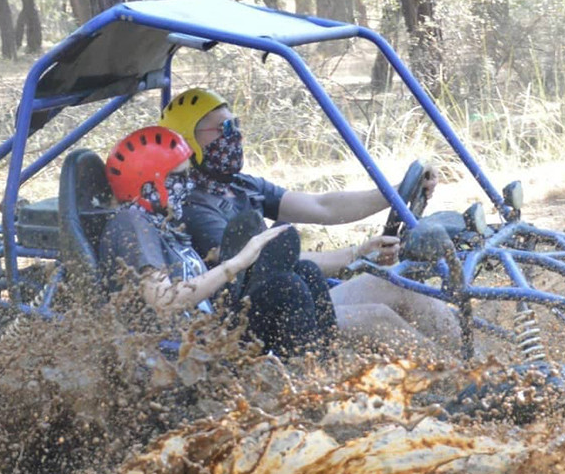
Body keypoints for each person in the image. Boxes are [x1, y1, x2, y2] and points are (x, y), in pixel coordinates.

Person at [159, 88, 461, 347]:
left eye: (235, 125)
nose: (235, 135)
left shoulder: (239, 186)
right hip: (266, 324)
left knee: (398, 285)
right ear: (187, 142)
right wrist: (355, 253)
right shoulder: (194, 208)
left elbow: (322, 206)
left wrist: (396, 192)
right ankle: (460, 386)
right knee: (377, 317)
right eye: (225, 129)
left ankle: (470, 365)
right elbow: (268, 264)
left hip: (297, 295)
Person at [98, 126, 337, 357]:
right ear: (149, 186)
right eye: (180, 177)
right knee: (286, 288)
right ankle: (310, 381)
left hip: (210, 331)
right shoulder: (132, 223)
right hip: (186, 351)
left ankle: (331, 366)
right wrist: (236, 263)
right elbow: (164, 301)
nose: (189, 184)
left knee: (305, 270)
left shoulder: (162, 224)